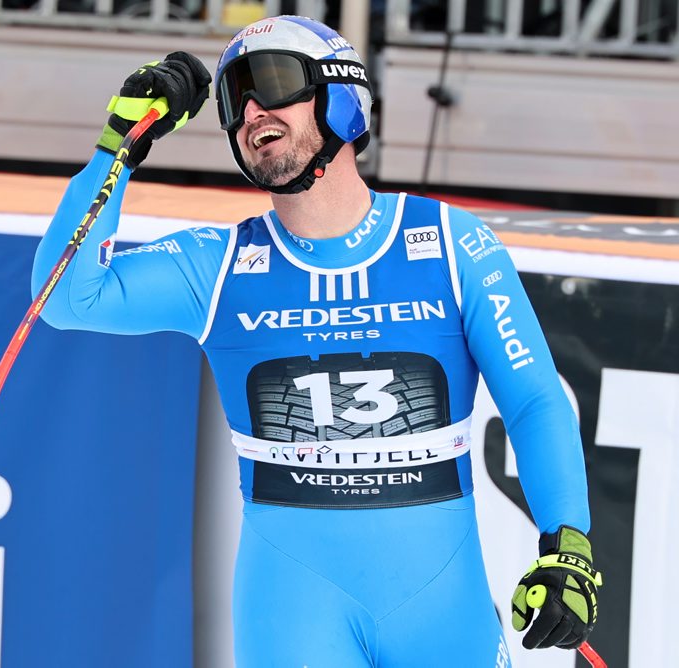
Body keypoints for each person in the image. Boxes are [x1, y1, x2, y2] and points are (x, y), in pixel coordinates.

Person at [33, 15, 600, 667]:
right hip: (293, 616)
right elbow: (66, 297)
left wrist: (567, 545)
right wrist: (118, 148)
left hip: (443, 618)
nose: (251, 110)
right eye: (234, 100)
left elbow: (534, 401)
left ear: (340, 97)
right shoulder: (219, 265)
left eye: (272, 82)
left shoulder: (453, 244)